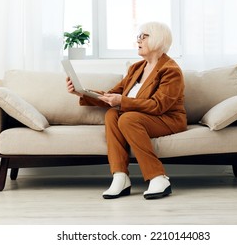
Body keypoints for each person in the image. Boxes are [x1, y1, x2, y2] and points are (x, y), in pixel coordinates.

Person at [66, 21, 187, 199]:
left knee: (127, 118)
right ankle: (120, 176)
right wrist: (82, 92)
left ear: (158, 40)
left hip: (167, 119)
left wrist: (122, 101)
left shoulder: (170, 70)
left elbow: (158, 106)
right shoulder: (136, 68)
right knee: (113, 113)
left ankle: (158, 177)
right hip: (140, 117)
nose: (138, 40)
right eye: (138, 36)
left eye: (142, 36)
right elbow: (112, 96)